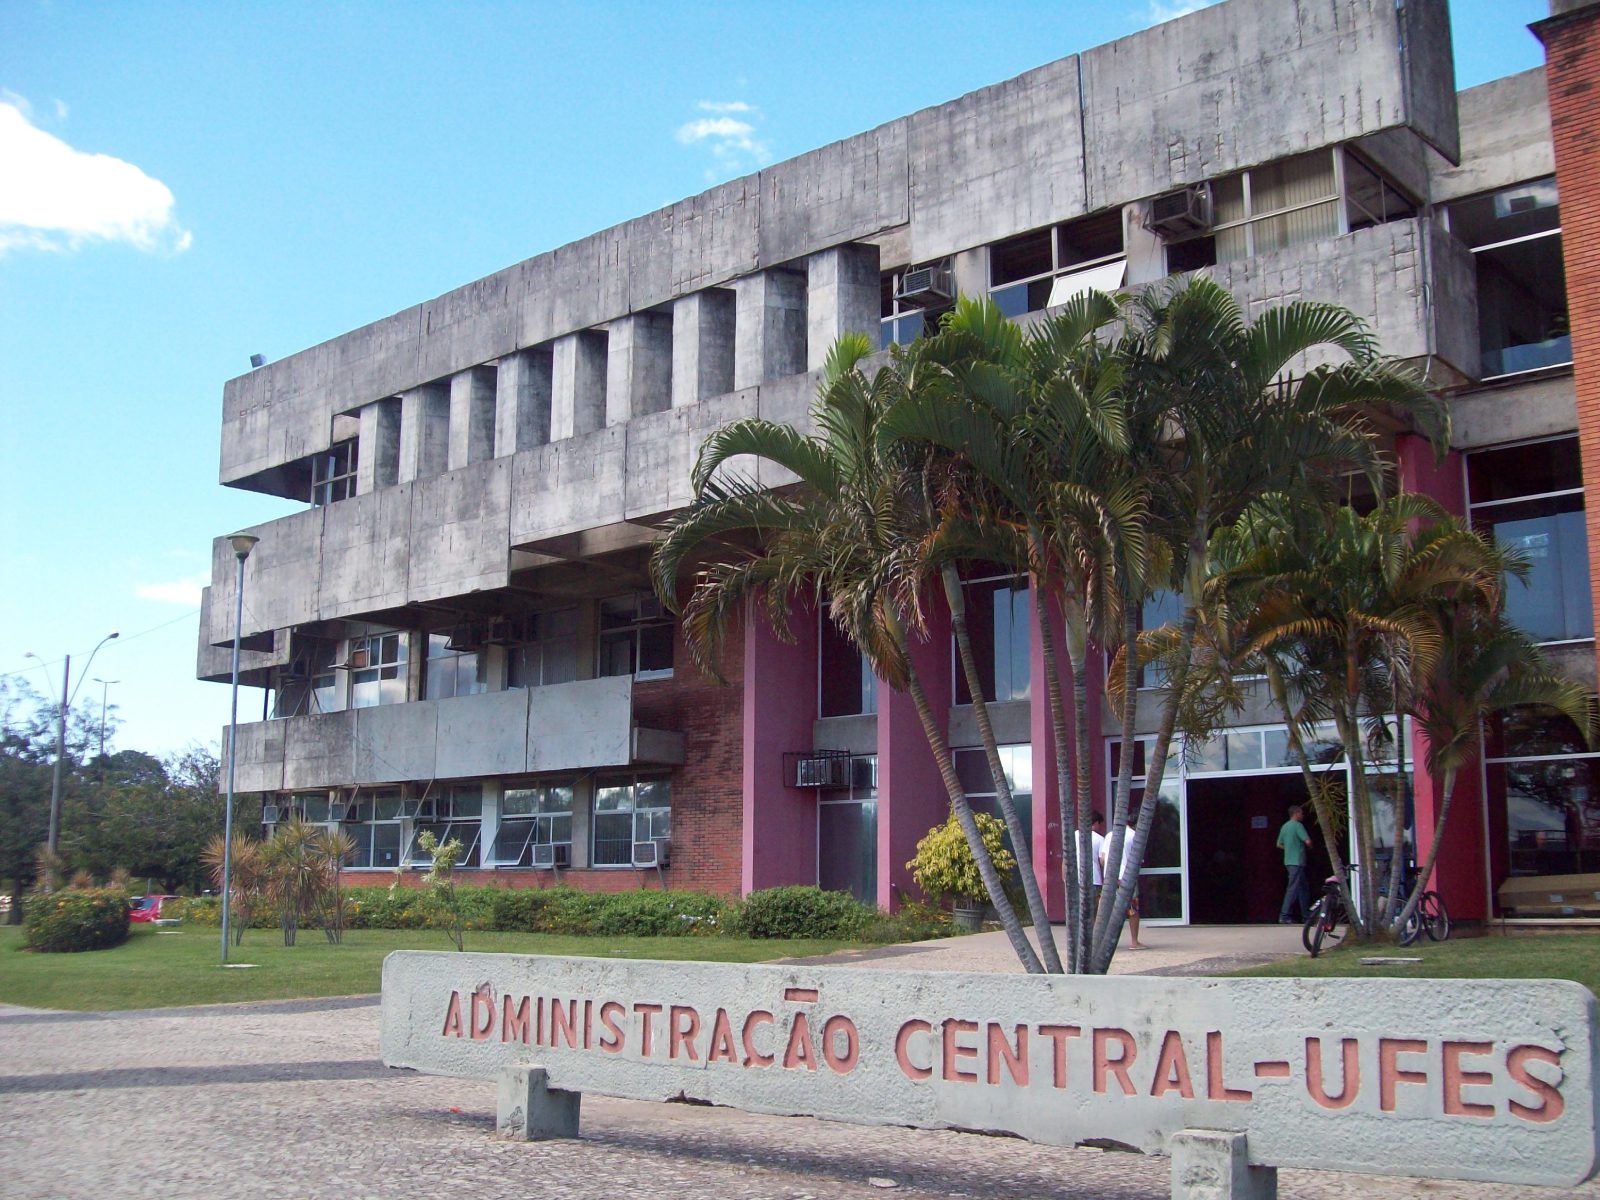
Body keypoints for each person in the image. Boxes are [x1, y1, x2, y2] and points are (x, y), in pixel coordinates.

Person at [1101, 817, 1146, 949]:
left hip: (1110, 878)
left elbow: (1103, 860)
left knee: (1107, 910)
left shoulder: (1109, 835)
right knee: (1133, 909)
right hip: (1126, 878)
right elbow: (1137, 859)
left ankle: (1103, 942)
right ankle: (1134, 941)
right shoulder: (1134, 836)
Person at [1277, 804, 1313, 923]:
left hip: (1288, 861)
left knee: (1303, 889)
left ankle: (1306, 916)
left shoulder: (1284, 826)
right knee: (1292, 888)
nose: (1302, 815)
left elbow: (1279, 844)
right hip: (1297, 861)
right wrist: (1309, 847)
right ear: (1296, 813)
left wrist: (1289, 848)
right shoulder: (1298, 826)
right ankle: (1284, 915)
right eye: (1301, 813)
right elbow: (1307, 841)